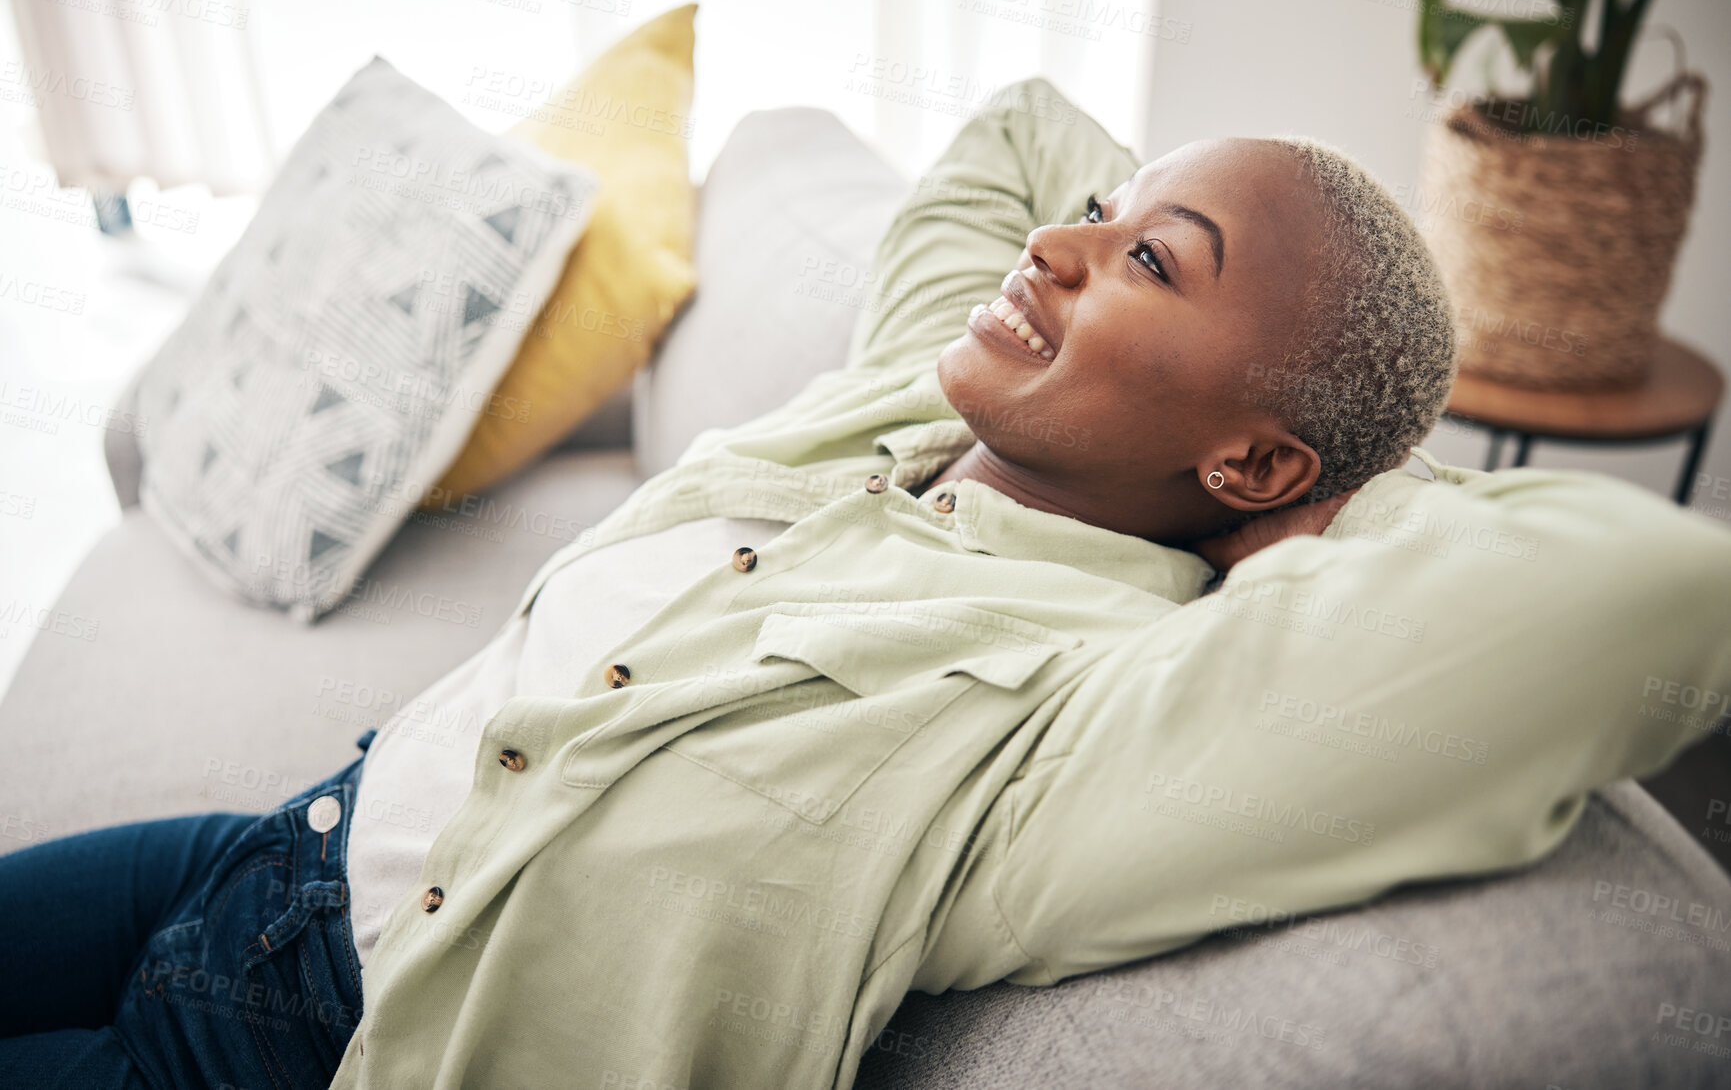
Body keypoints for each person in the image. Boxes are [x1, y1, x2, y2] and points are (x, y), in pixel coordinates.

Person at [3, 78, 1727, 1090]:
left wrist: (1335, 491)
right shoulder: (914, 395)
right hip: (287, 840)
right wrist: (1128, 271)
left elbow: (1643, 592)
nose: (1055, 246)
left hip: (323, 1035)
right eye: (1108, 216)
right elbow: (1021, 132)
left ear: (1260, 468)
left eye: (1145, 261)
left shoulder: (1082, 721)